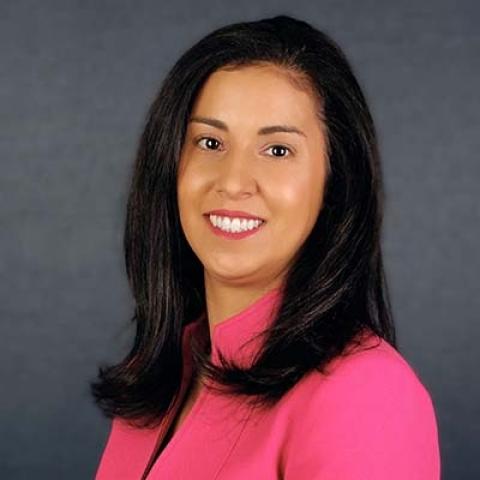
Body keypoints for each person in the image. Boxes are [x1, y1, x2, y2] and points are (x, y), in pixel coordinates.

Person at [91, 14, 441, 479]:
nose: (233, 182)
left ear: (335, 183)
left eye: (277, 150)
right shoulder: (160, 375)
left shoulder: (367, 395)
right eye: (210, 141)